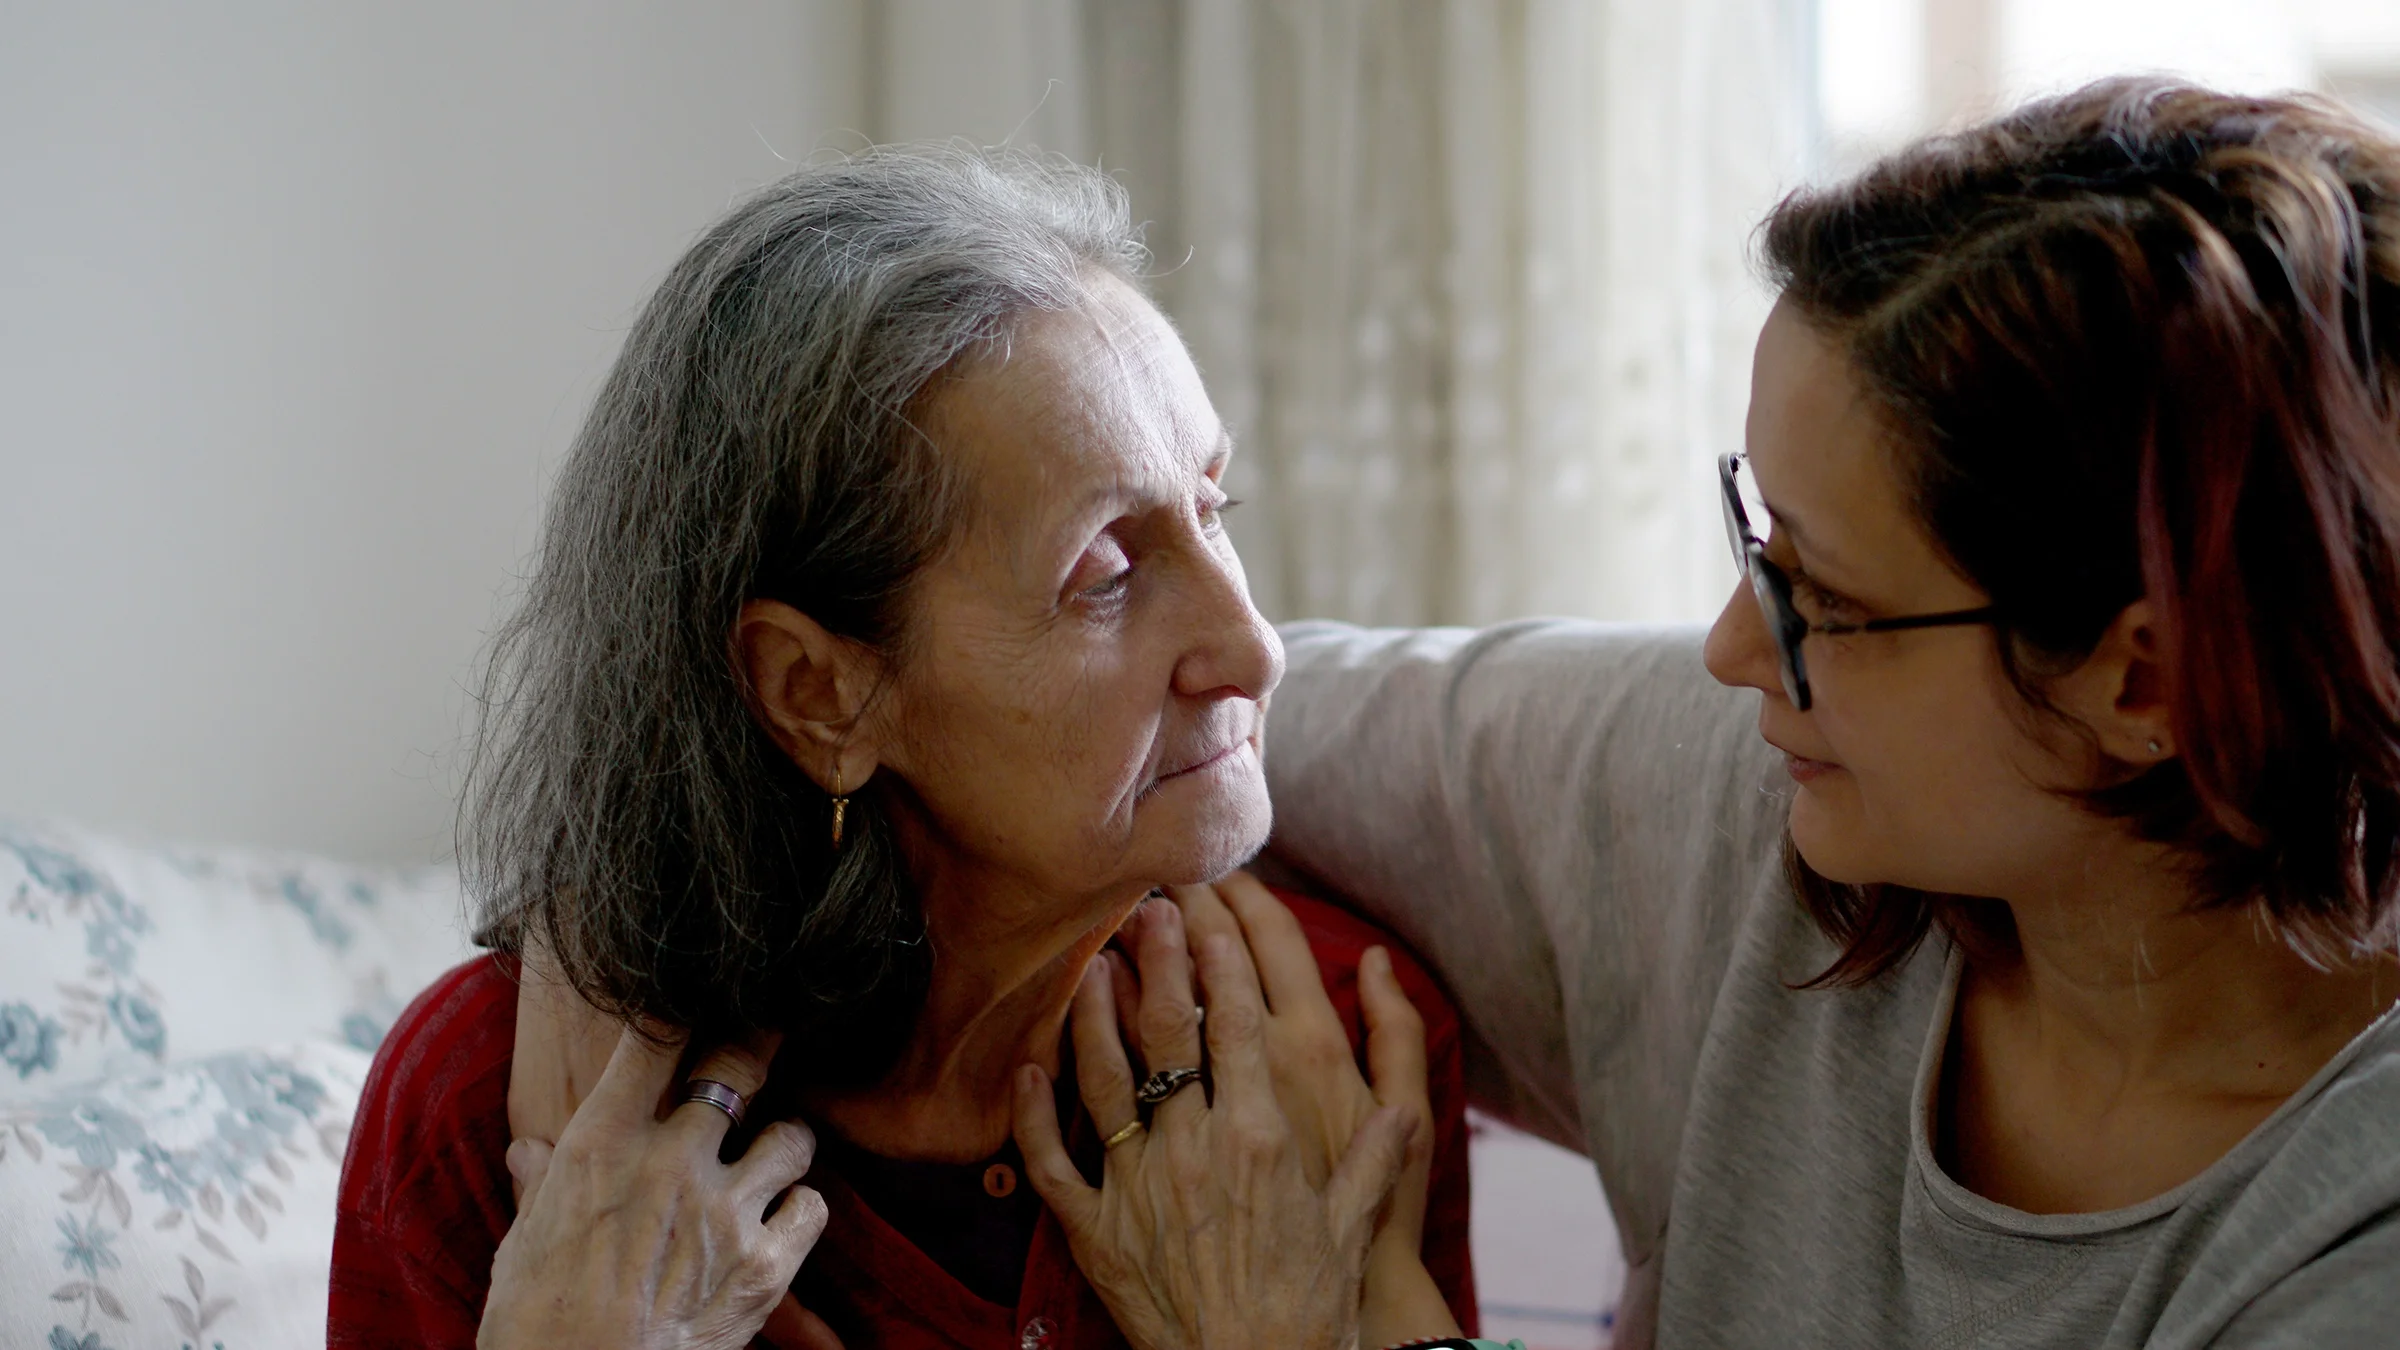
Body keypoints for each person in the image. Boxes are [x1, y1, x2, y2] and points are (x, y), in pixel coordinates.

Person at [1020, 79, 2400, 1348]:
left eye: (1827, 597)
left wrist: (1341, 1325)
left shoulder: (2352, 1243)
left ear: (2143, 680)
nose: (1736, 646)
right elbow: (1209, 713)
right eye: (1756, 535)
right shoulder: (1762, 794)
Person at [325, 147, 1478, 1350]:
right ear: (820, 694)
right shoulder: (498, 1127)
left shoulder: (1331, 1062)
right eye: (1108, 572)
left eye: (1213, 510)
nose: (1254, 650)